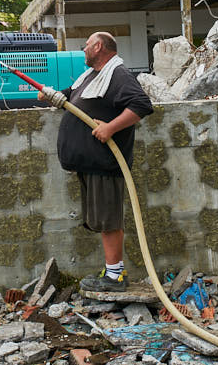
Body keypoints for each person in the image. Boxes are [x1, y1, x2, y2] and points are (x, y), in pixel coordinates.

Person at [48, 31, 153, 292]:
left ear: (98, 47)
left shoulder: (118, 74)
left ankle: (115, 276)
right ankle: (111, 270)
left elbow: (141, 104)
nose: (83, 49)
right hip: (91, 163)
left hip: (106, 163)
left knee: (109, 219)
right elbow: (71, 97)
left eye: (86, 45)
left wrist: (110, 128)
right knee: (102, 218)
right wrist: (49, 95)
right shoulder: (92, 76)